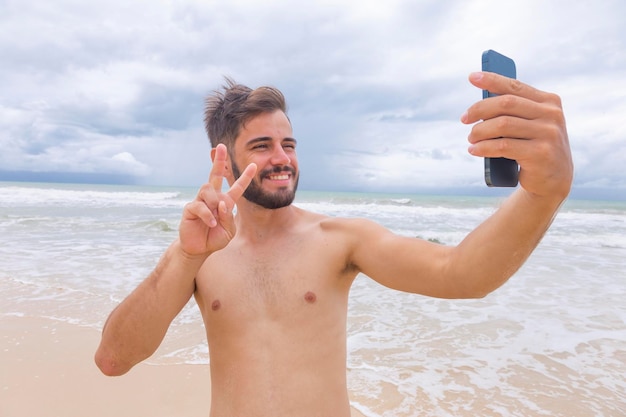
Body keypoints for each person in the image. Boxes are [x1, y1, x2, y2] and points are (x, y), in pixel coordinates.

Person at [95, 73, 573, 416]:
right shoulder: (196, 256)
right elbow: (113, 360)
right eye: (262, 146)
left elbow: (462, 274)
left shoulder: (339, 240)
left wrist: (542, 193)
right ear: (222, 162)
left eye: (290, 144)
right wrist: (185, 256)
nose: (282, 158)